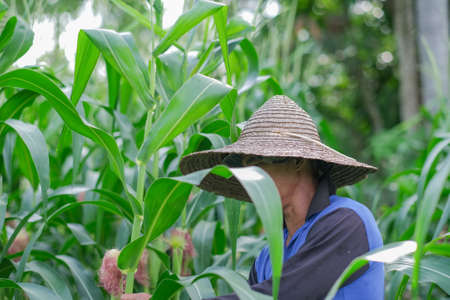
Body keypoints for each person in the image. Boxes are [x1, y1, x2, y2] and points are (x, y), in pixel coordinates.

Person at [179, 95, 384, 299]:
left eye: (255, 161)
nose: (246, 176)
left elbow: (282, 295)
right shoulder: (266, 258)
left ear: (296, 160)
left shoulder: (346, 222)